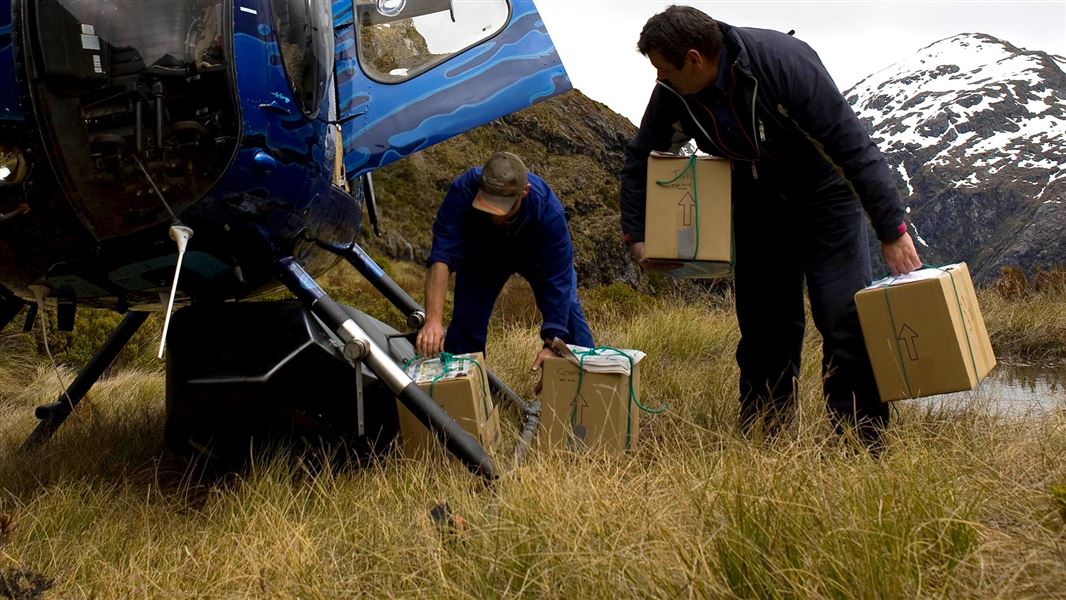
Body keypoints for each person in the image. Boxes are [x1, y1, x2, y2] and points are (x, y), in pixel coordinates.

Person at [620, 6, 922, 447]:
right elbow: (642, 158)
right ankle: (766, 435)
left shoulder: (782, 65)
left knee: (844, 318)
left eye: (663, 69)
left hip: (825, 198)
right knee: (765, 328)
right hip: (757, 202)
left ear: (694, 59)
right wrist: (639, 235)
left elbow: (852, 146)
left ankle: (860, 442)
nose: (659, 80)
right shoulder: (675, 92)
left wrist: (891, 230)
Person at [416, 151, 594, 370]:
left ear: (524, 193)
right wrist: (433, 320)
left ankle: (592, 386)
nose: (495, 216)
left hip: (536, 256)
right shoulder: (463, 190)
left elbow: (558, 279)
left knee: (569, 318)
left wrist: (553, 342)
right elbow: (442, 255)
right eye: (487, 205)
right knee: (466, 326)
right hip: (483, 255)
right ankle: (463, 394)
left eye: (502, 207)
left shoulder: (548, 211)